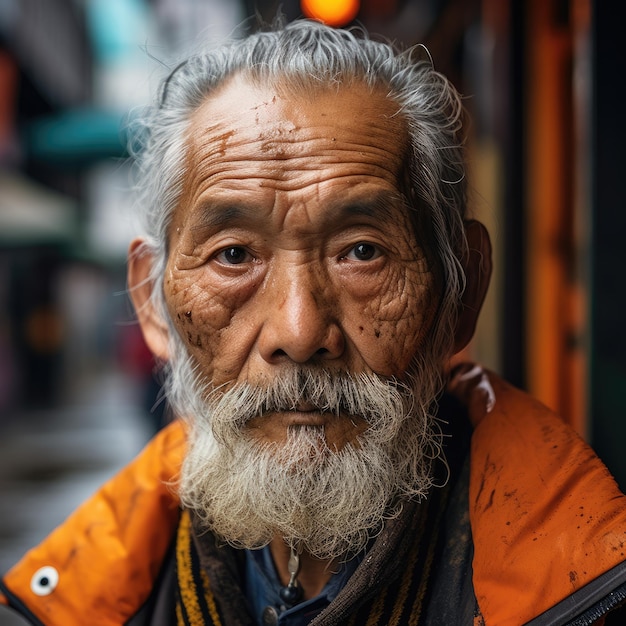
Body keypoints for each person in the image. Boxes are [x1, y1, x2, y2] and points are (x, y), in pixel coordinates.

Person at [2, 19, 626, 626]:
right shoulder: (93, 595)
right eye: (234, 255)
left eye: (361, 251)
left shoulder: (586, 588)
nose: (299, 334)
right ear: (151, 305)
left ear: (461, 290)